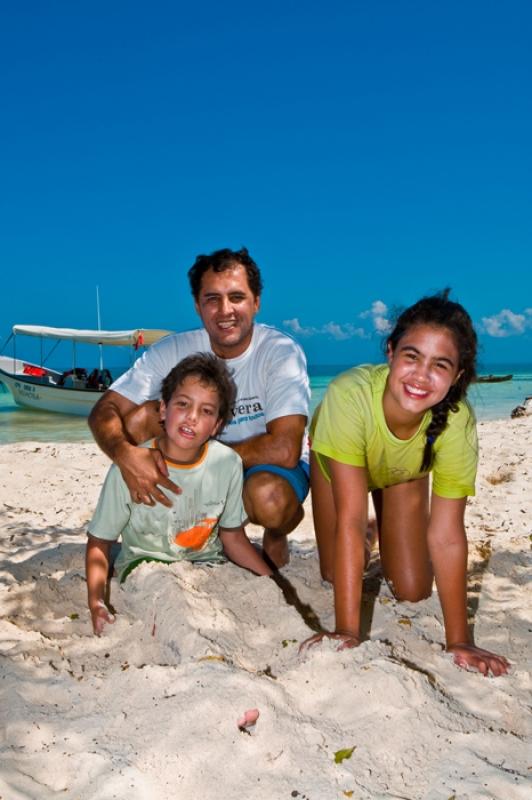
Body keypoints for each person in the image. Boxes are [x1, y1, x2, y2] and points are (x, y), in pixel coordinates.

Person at [305, 290, 510, 677]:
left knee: (414, 589)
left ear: (458, 376)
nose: (421, 375)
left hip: (402, 475)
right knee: (336, 573)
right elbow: (349, 517)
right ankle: (373, 532)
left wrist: (459, 640)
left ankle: (387, 520)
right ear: (390, 352)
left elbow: (448, 534)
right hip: (338, 465)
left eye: (440, 365)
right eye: (411, 356)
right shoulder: (349, 394)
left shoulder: (456, 421)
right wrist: (347, 631)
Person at [88, 247, 310, 569]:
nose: (225, 310)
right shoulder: (172, 350)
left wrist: (205, 460)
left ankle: (275, 534)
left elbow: (284, 448)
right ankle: (151, 531)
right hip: (196, 459)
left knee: (270, 500)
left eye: (237, 297)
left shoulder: (280, 352)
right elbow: (104, 409)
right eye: (212, 299)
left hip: (264, 468)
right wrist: (124, 453)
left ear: (256, 302)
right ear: (197, 306)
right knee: (140, 419)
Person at [86, 353, 273, 635]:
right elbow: (99, 541)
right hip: (146, 567)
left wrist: (272, 584)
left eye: (207, 411)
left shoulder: (228, 463)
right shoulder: (128, 469)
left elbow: (232, 537)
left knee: (259, 607)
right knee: (178, 611)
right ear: (163, 409)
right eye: (183, 404)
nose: (193, 417)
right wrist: (96, 602)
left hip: (210, 564)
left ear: (218, 425)